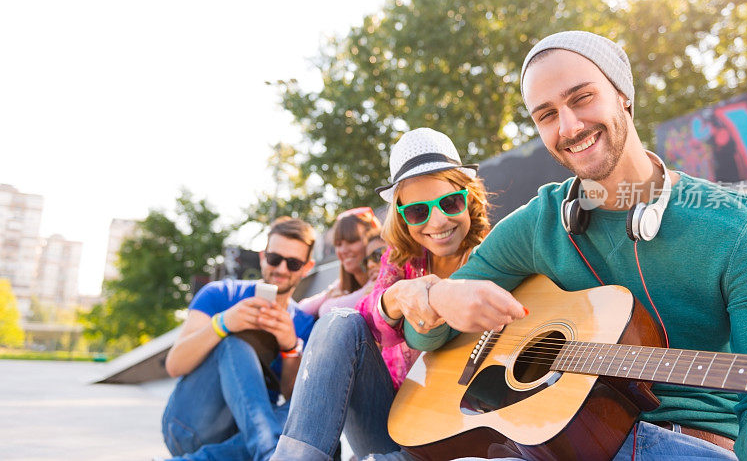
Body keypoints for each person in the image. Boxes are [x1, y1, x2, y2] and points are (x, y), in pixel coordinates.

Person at [404, 31, 747, 460]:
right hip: (559, 442)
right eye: (547, 114)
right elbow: (424, 337)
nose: (569, 126)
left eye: (582, 98)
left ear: (623, 93)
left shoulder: (741, 228)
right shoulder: (539, 224)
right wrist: (439, 296)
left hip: (687, 443)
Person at [272, 127, 498, 461]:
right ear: (403, 217)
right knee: (340, 321)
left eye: (450, 202)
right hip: (388, 420)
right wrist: (394, 297)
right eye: (419, 211)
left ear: (470, 199)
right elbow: (362, 328)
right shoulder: (401, 260)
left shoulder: (496, 256)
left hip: (456, 432)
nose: (437, 221)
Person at [161, 217, 317, 461]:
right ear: (263, 256)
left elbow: (291, 400)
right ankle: (269, 451)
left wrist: (290, 347)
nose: (282, 269)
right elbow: (175, 365)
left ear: (307, 268)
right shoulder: (221, 293)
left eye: (294, 263)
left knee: (310, 406)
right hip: (192, 425)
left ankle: (264, 448)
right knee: (233, 343)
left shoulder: (304, 326)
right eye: (275, 259)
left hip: (241, 441)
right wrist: (223, 324)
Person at [299, 207, 381, 319]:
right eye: (338, 244)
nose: (343, 250)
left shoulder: (381, 275)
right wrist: (329, 295)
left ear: (372, 242)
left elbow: (326, 310)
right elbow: (302, 308)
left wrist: (334, 300)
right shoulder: (343, 284)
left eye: (352, 241)